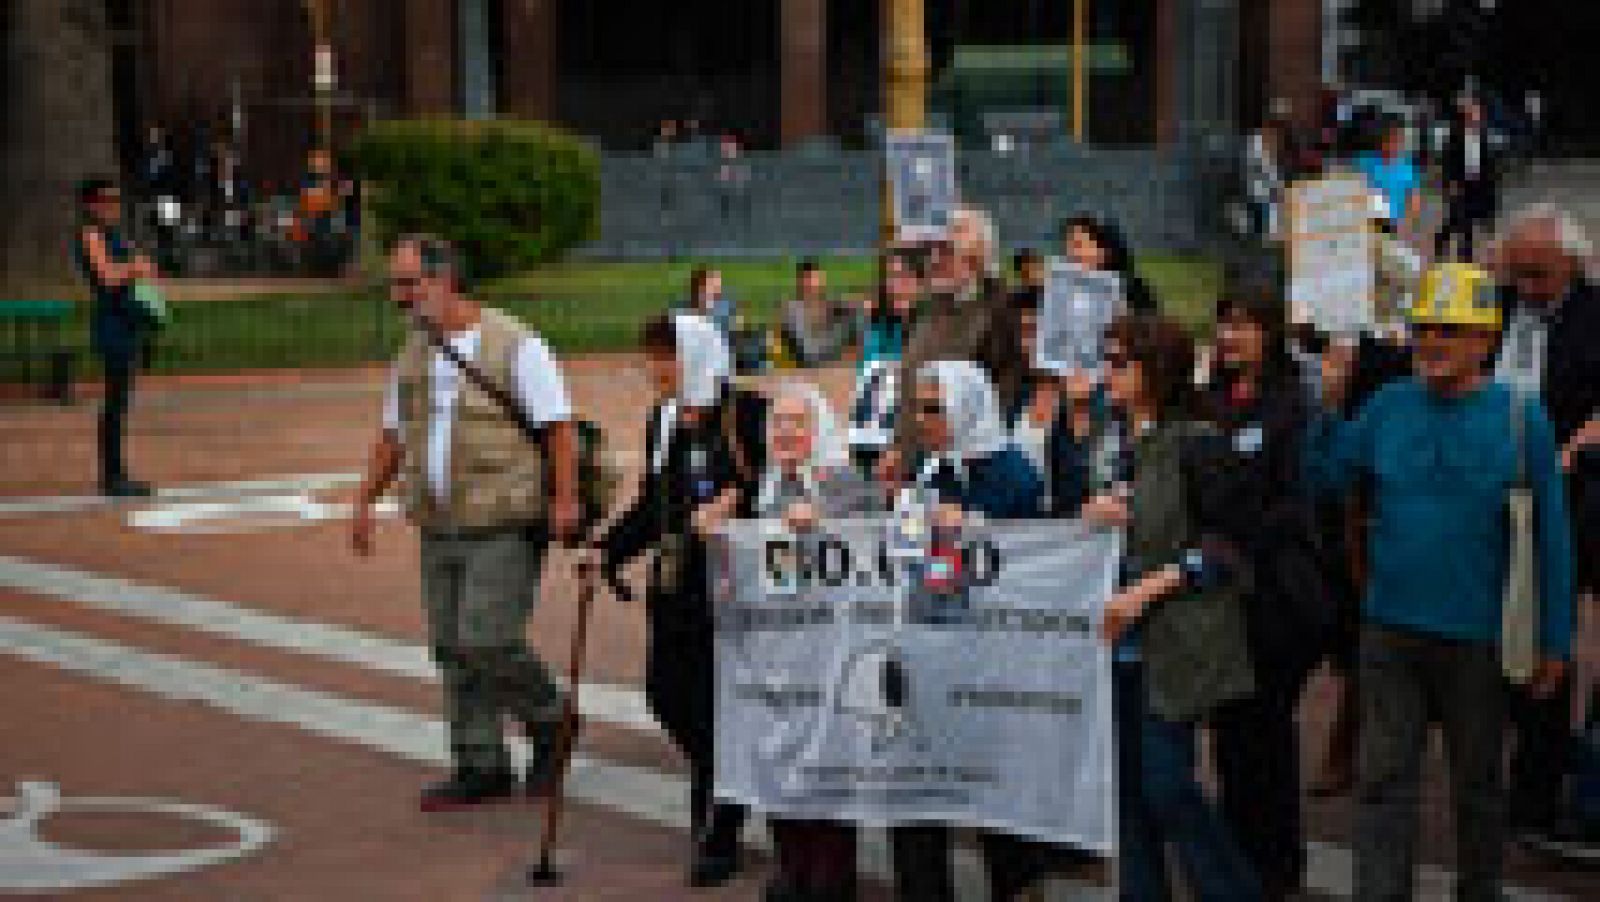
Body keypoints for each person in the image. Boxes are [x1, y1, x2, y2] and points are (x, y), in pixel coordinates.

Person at [1307, 263, 1575, 901]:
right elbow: (1326, 479)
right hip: (1389, 631)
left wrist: (1556, 640)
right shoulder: (1387, 406)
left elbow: (1552, 539)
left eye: (1451, 331)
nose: (1433, 343)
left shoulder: (1521, 418)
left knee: (1477, 789)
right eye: (1425, 329)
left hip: (1480, 640)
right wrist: (1329, 402)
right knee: (1381, 785)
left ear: (1485, 339)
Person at [350, 234, 582, 811]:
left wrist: (566, 500)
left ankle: (551, 719)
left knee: (488, 638)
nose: (399, 296)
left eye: (410, 283)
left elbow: (558, 427)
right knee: (452, 647)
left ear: (444, 277)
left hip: (503, 519)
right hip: (439, 522)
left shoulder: (515, 343)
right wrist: (363, 501)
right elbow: (392, 435)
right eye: (395, 285)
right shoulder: (412, 351)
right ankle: (480, 763)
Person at [1076, 315, 1263, 902]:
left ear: (1155, 370)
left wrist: (1145, 589)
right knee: (1128, 790)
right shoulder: (1111, 439)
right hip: (1119, 635)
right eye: (1108, 360)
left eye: (1120, 362)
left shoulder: (1197, 443)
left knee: (1166, 785)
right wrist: (1095, 514)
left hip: (1171, 636)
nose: (1109, 373)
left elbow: (1225, 545)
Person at [601, 313, 766, 886]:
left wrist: (736, 505)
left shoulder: (745, 415)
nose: (654, 368)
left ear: (695, 355)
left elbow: (779, 487)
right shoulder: (663, 419)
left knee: (714, 704)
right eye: (651, 356)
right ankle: (729, 781)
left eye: (664, 356)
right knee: (667, 696)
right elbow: (653, 506)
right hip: (674, 586)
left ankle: (719, 827)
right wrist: (606, 551)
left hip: (730, 588)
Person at [890, 359, 1045, 902]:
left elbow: (1034, 555)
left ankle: (1020, 884)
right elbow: (907, 546)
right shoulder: (930, 470)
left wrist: (974, 525)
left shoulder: (1013, 471)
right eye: (918, 407)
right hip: (932, 648)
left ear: (967, 406)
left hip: (994, 655)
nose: (922, 419)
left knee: (993, 783)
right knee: (913, 781)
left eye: (935, 408)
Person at [1199, 289, 1331, 900]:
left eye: (1245, 326)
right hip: (1221, 598)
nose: (1231, 337)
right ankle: (1233, 857)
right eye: (1225, 324)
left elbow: (1292, 504)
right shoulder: (1211, 401)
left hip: (1274, 598)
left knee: (1267, 737)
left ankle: (1277, 866)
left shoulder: (1292, 406)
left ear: (1271, 334)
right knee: (1229, 735)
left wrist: (1235, 531)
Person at [1486, 205, 1600, 850]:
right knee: (1513, 638)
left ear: (1573, 266)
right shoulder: (1496, 305)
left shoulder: (1593, 315)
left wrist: (1580, 442)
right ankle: (1527, 778)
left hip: (1574, 498)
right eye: (1517, 273)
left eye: (1539, 275)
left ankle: (1545, 787)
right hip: (1497, 495)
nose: (1526, 288)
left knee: (1552, 640)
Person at [755, 382, 878, 902]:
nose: (784, 431)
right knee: (780, 752)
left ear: (819, 429)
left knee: (826, 756)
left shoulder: (843, 481)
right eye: (777, 421)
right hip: (780, 649)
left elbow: (870, 542)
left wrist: (822, 520)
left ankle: (830, 876)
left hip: (833, 652)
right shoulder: (766, 487)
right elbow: (769, 573)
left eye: (796, 422)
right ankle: (791, 866)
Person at [73, 178, 159, 498]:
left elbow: (144, 268)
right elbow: (107, 276)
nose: (112, 206)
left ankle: (116, 472)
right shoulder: (91, 234)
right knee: (114, 400)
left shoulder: (117, 235)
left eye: (116, 199)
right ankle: (112, 475)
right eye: (105, 200)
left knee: (120, 400)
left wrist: (139, 269)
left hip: (128, 319)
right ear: (90, 204)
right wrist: (135, 268)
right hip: (112, 321)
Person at [1437, 97, 1503, 262]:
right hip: (1461, 183)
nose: (1474, 117)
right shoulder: (1455, 135)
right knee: (1460, 221)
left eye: (1477, 114)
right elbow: (1447, 161)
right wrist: (1450, 182)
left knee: (1467, 220)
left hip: (1479, 184)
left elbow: (1492, 161)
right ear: (1464, 116)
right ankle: (1461, 255)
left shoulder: (1486, 135)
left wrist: (1493, 182)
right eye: (1471, 114)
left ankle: (1454, 247)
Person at [1059, 214, 1160, 315]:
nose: (1072, 252)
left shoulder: (1126, 286)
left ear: (1099, 248)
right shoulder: (1063, 282)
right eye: (1068, 246)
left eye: (1078, 245)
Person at [1352, 119, 1423, 243]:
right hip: (1365, 221)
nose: (1393, 145)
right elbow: (1351, 184)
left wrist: (1408, 224)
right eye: (1390, 140)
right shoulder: (1367, 161)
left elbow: (1415, 201)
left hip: (1393, 224)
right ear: (1383, 141)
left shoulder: (1407, 168)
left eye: (1397, 141)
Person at [781, 258, 858, 367]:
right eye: (806, 280)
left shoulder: (833, 306)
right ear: (799, 282)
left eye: (813, 279)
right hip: (809, 361)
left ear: (821, 280)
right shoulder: (792, 310)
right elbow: (801, 349)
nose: (809, 284)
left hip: (830, 359)